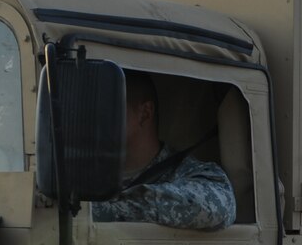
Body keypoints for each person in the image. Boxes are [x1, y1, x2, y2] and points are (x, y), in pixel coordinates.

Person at [92, 72, 237, 230]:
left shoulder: (190, 173)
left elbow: (219, 206)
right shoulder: (85, 172)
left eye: (107, 108)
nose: (95, 118)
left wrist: (108, 209)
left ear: (145, 114)